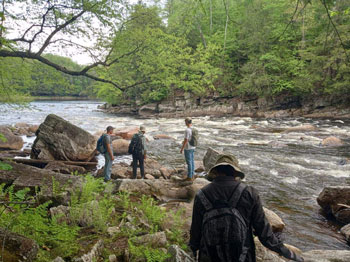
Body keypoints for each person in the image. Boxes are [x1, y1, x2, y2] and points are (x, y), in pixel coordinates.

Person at [189, 154, 304, 262]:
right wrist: (288, 253)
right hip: (242, 257)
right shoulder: (249, 193)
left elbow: (196, 233)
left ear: (216, 172)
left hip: (209, 257)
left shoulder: (201, 195)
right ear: (235, 173)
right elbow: (264, 234)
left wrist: (193, 251)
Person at [180, 117, 195, 181]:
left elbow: (186, 140)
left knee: (189, 162)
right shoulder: (193, 129)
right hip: (193, 146)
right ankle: (192, 175)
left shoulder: (187, 130)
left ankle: (189, 177)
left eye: (185, 121)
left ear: (186, 122)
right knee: (192, 161)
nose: (185, 122)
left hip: (188, 148)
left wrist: (182, 148)